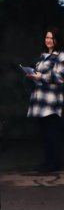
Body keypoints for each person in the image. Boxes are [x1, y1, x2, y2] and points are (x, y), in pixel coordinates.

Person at [26, 28, 64, 173]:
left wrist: (39, 77)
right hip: (40, 101)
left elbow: (60, 77)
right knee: (45, 134)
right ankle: (48, 162)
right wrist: (32, 75)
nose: (48, 40)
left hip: (52, 102)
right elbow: (40, 74)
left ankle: (54, 164)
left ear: (57, 40)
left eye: (52, 38)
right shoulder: (44, 56)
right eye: (47, 37)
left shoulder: (60, 56)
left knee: (53, 133)